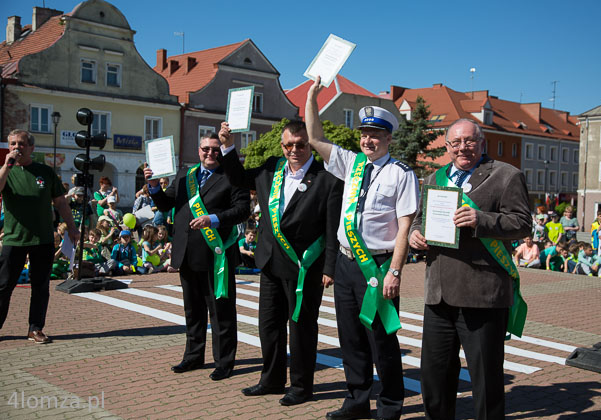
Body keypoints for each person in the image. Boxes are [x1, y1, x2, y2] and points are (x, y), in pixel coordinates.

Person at [306, 77, 418, 420]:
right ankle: (356, 401)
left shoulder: (402, 173)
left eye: (375, 135)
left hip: (379, 266)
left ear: (388, 138)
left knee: (381, 340)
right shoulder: (351, 164)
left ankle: (390, 405)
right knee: (350, 338)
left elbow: (405, 227)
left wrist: (395, 272)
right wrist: (312, 95)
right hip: (345, 263)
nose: (367, 140)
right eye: (363, 135)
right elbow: (314, 138)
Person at [409, 118, 531, 419]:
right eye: (455, 143)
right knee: (434, 378)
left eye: (469, 141)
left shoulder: (506, 175)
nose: (462, 147)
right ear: (447, 147)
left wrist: (482, 220)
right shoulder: (435, 178)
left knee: (486, 380)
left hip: (483, 294)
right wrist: (415, 234)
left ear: (482, 142)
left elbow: (522, 223)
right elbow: (419, 219)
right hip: (438, 295)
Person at [217, 118, 342, 407]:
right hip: (270, 261)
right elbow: (238, 178)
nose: (294, 150)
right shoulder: (270, 168)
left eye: (300, 144)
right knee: (269, 325)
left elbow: (331, 227)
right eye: (289, 145)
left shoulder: (326, 178)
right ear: (282, 145)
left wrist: (329, 267)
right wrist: (227, 146)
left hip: (305, 267)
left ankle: (301, 386)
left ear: (309, 145)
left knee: (301, 328)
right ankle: (271, 379)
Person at [145, 132, 249, 381]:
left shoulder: (231, 174)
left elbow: (242, 210)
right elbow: (166, 204)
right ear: (198, 149)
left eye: (215, 149)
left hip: (216, 254)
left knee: (220, 311)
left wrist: (212, 219)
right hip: (187, 253)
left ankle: (224, 362)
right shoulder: (185, 175)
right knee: (193, 310)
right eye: (206, 149)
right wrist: (153, 186)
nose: (210, 154)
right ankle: (193, 356)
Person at [0, 130, 80, 343]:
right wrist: (7, 166)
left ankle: (35, 328)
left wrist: (72, 228)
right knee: (3, 285)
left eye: (22, 144)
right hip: (14, 239)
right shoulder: (6, 171)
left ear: (31, 148)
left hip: (43, 239)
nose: (17, 148)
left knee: (40, 286)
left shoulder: (44, 171)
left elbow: (61, 202)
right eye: (13, 144)